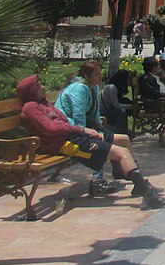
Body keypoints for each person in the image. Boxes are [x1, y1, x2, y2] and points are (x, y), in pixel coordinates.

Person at [17, 74, 165, 209]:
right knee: (122, 153)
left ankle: (137, 183)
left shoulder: (43, 104)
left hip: (73, 138)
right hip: (65, 145)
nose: (43, 87)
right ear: (31, 91)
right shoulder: (31, 108)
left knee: (122, 141)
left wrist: (84, 131)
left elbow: (62, 121)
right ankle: (147, 195)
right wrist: (82, 130)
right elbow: (51, 129)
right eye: (38, 86)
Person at [56, 60, 131, 194]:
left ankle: (120, 169)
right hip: (68, 128)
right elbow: (78, 115)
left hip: (85, 125)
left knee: (116, 138)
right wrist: (86, 132)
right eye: (97, 74)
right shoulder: (79, 88)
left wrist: (99, 126)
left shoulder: (93, 86)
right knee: (99, 142)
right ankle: (97, 180)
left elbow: (95, 111)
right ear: (87, 75)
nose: (100, 76)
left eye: (100, 73)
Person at [99, 68, 133, 136]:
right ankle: (122, 132)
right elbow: (116, 105)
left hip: (108, 109)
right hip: (102, 111)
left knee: (126, 101)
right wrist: (130, 106)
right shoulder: (112, 88)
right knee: (122, 111)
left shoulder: (117, 88)